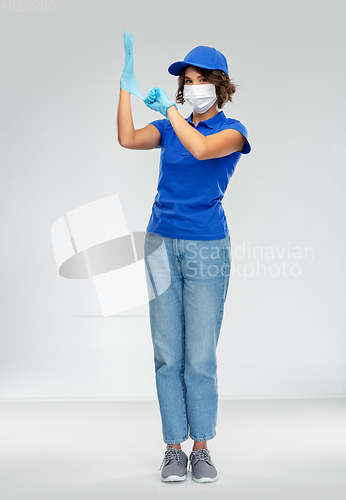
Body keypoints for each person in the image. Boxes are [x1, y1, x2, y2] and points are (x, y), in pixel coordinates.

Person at [117, 31, 251, 483]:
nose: (190, 86)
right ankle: (173, 449)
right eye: (185, 80)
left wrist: (170, 112)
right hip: (159, 244)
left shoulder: (232, 132)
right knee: (167, 353)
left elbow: (199, 148)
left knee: (200, 356)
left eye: (198, 79)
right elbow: (127, 139)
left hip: (206, 247)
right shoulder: (170, 127)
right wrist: (125, 86)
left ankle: (202, 448)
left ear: (219, 86)